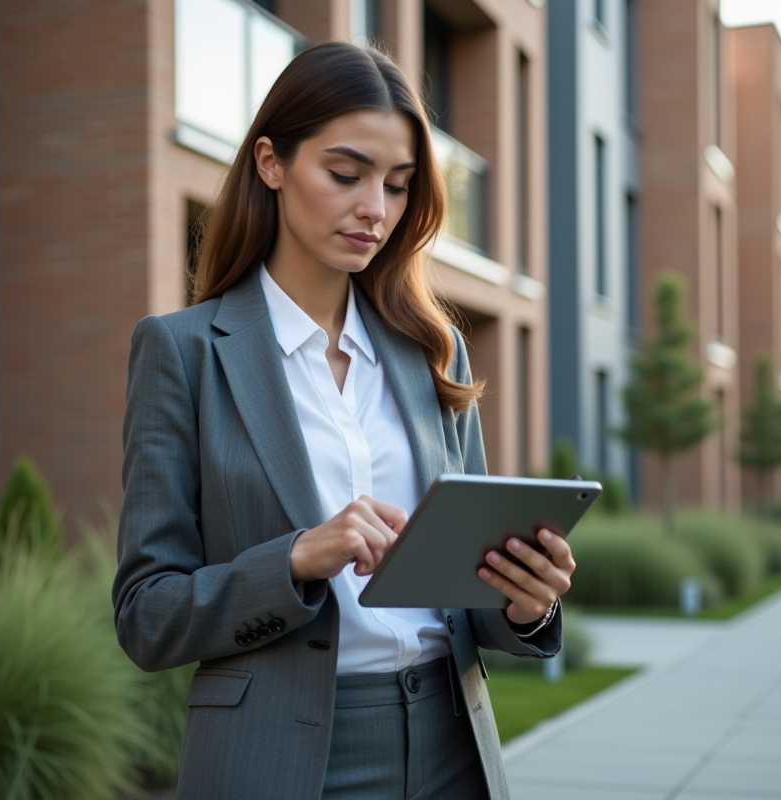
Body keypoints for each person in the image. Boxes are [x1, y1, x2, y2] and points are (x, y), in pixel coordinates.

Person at [112, 41, 576, 800]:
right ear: (271, 163)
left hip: (451, 743)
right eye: (345, 174)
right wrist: (295, 558)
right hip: (280, 759)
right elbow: (147, 615)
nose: (375, 209)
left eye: (397, 186)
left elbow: (469, 603)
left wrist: (525, 601)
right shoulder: (183, 352)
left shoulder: (437, 352)